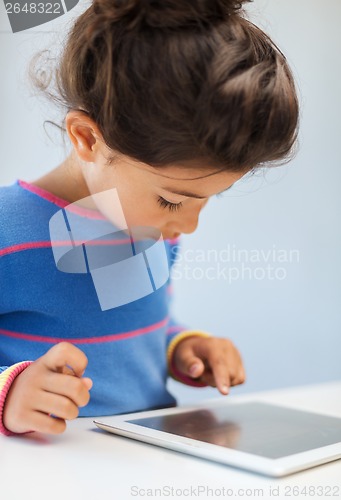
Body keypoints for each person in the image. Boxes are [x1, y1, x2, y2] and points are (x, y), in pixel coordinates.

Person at [0, 0, 299, 436]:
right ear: (86, 138)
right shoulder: (9, 232)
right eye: (173, 201)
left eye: (210, 198)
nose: (189, 225)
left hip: (144, 457)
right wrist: (10, 389)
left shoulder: (152, 228)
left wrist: (179, 346)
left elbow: (135, 326)